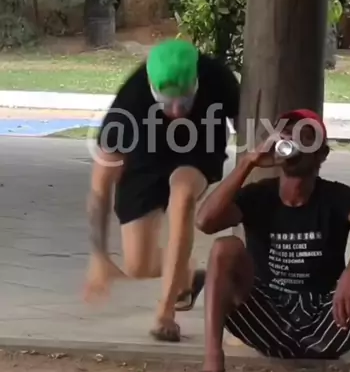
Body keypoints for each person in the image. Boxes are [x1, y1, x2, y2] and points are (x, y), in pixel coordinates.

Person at [196, 110, 350, 372]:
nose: (294, 142)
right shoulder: (259, 196)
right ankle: (212, 366)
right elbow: (205, 221)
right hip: (268, 320)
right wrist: (248, 162)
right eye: (287, 135)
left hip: (328, 320)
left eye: (305, 137)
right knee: (225, 248)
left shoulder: (336, 196)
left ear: (321, 154)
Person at [84, 37, 240, 342]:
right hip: (145, 159)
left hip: (199, 150)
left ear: (197, 82)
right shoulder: (131, 100)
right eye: (167, 104)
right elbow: (101, 186)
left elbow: (249, 128)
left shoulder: (217, 77)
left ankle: (165, 313)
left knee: (182, 194)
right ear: (153, 90)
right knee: (138, 265)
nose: (178, 111)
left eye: (186, 102)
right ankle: (185, 273)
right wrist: (98, 253)